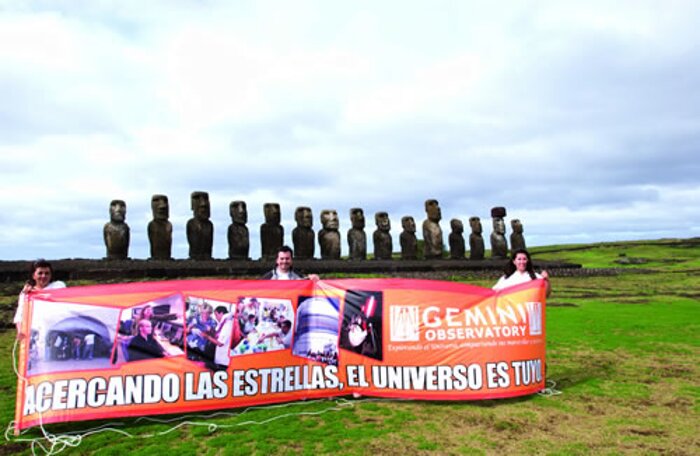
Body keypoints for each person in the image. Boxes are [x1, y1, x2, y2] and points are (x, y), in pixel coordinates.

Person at [15, 259, 67, 339]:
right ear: (33, 276)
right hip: (34, 334)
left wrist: (36, 293)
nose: (43, 276)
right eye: (40, 273)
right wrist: (20, 331)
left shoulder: (58, 286)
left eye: (47, 273)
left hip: (54, 333)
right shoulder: (26, 294)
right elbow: (20, 315)